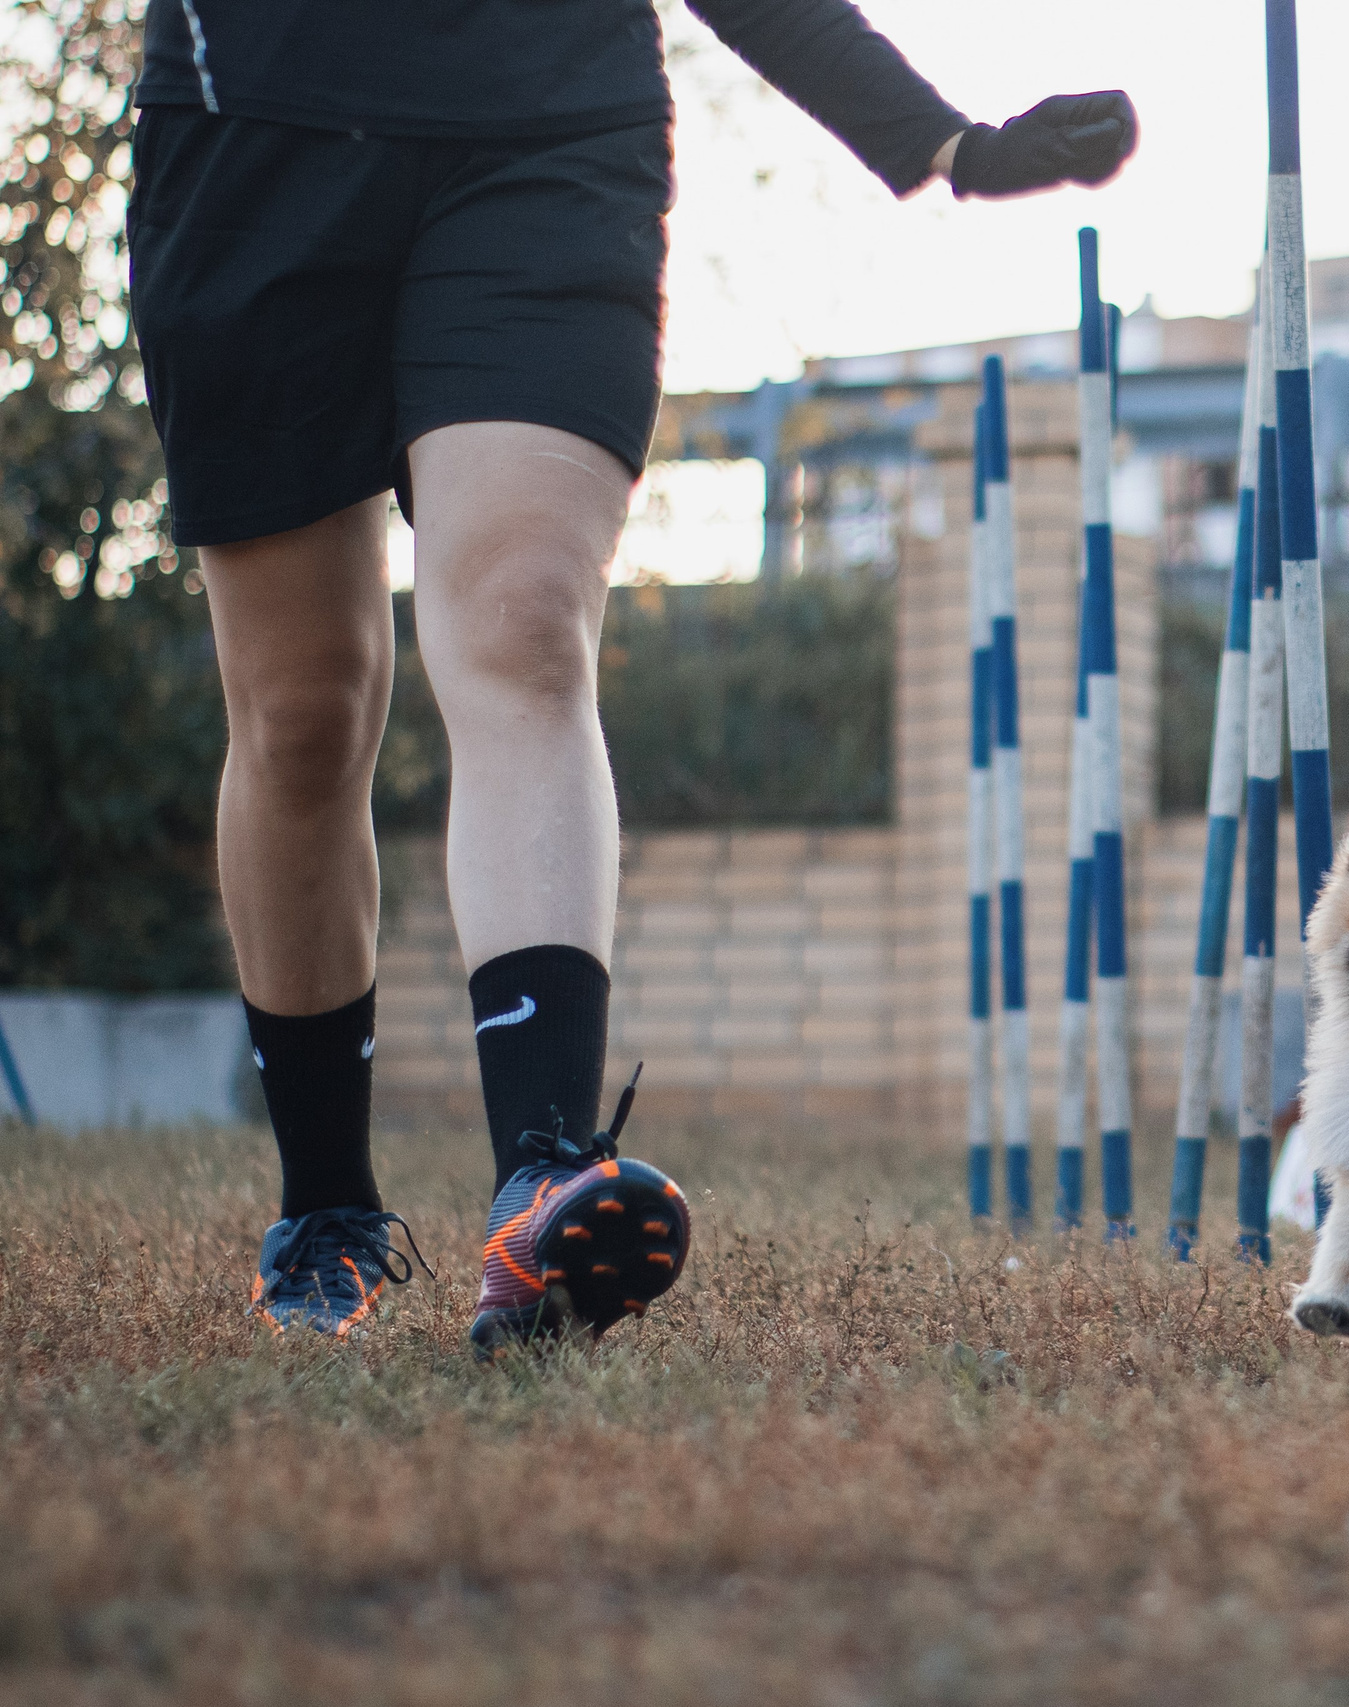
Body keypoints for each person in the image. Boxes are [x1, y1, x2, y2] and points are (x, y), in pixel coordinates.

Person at [126, 0, 1136, 1354]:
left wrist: (933, 136)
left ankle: (542, 1179)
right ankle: (326, 1209)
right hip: (253, 130)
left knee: (528, 617)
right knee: (304, 712)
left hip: (548, 137)